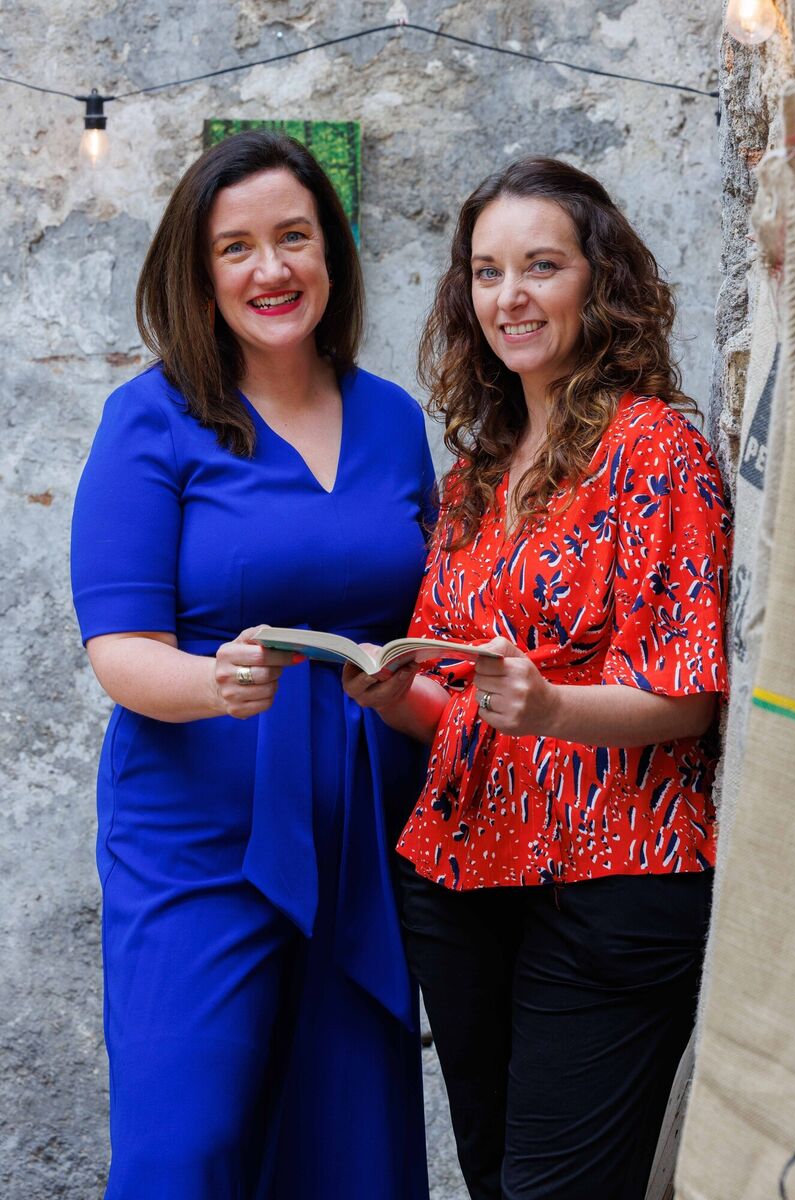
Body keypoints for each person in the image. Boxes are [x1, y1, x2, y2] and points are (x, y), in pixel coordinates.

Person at [343, 157, 732, 1200]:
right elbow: (463, 705)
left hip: (610, 881)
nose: (509, 296)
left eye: (540, 266)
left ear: (599, 281)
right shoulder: (477, 470)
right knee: (496, 1182)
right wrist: (394, 694)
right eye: (487, 272)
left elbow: (688, 694)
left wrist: (553, 705)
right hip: (461, 881)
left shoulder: (658, 452)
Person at [70, 130, 433, 1200]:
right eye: (236, 247)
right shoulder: (150, 419)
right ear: (200, 273)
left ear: (332, 254)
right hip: (196, 840)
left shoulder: (392, 419)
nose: (270, 269)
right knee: (180, 1152)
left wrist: (406, 683)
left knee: (344, 1154)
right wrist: (212, 685)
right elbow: (119, 650)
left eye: (293, 238)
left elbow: (425, 617)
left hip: (362, 834)